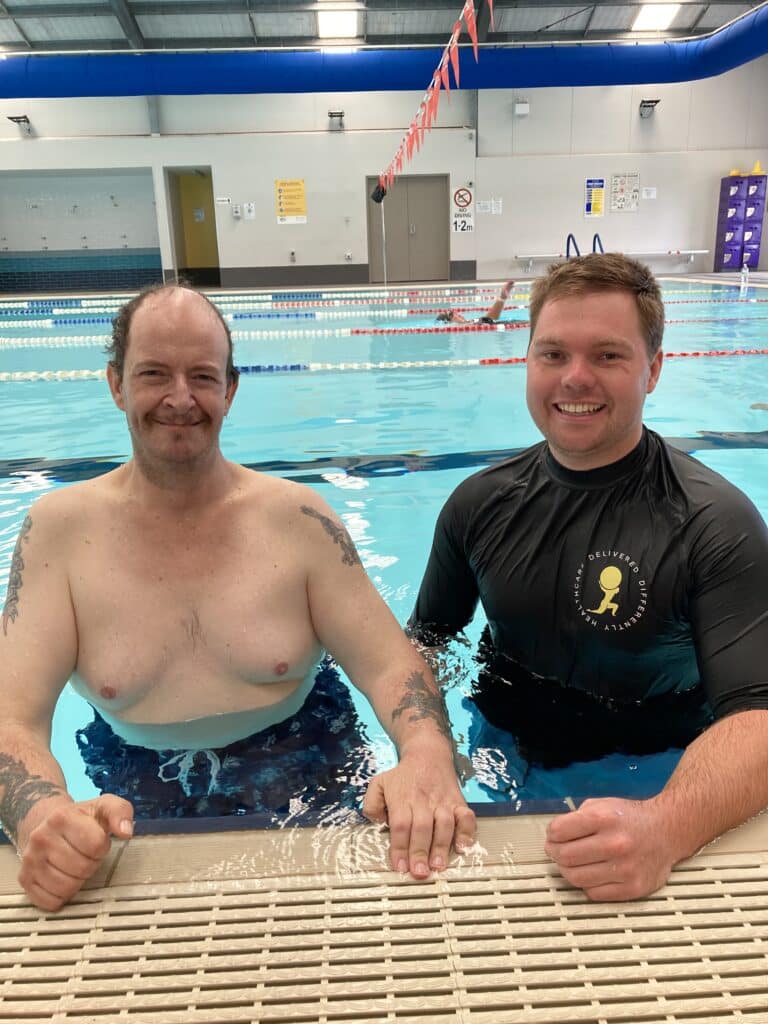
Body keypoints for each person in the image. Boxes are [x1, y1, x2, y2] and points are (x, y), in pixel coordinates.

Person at [0, 283, 476, 912]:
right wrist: (41, 811)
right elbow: (12, 716)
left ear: (230, 389)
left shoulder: (298, 519)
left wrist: (424, 752)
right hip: (134, 775)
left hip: (310, 753)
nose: (179, 398)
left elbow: (390, 664)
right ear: (115, 384)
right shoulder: (58, 532)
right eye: (153, 374)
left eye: (202, 375)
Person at [410, 253, 768, 902]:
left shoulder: (714, 523)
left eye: (607, 356)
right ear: (527, 360)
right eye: (552, 354)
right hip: (502, 735)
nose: (574, 378)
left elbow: (759, 712)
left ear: (654, 369)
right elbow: (428, 644)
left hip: (657, 762)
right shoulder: (477, 504)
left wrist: (668, 824)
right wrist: (425, 752)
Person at [435, 279, 515, 324]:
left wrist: (502, 298)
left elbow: (490, 319)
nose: (457, 313)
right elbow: (489, 319)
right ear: (449, 322)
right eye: (451, 314)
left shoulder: (470, 323)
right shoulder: (466, 326)